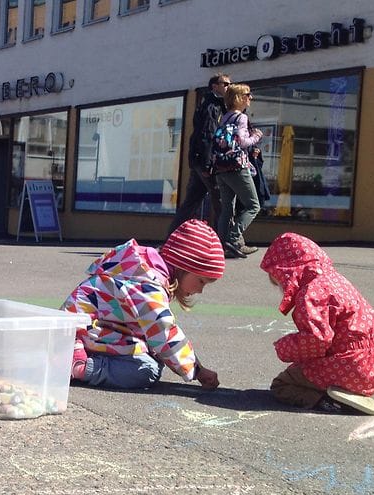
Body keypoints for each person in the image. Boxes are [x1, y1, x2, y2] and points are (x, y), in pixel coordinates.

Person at [62, 219, 224, 390]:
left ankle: (76, 355)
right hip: (80, 330)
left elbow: (153, 328)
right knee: (147, 369)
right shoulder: (149, 287)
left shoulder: (143, 270)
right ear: (183, 266)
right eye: (201, 281)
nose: (200, 290)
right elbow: (164, 332)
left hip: (86, 328)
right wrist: (197, 370)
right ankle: (79, 366)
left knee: (154, 358)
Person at [259, 233, 374, 415]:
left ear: (289, 273)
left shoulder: (311, 292)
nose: (282, 288)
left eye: (280, 283)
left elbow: (316, 340)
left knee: (283, 384)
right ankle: (347, 391)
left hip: (352, 365)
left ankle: (329, 401)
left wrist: (284, 348)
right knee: (303, 369)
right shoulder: (336, 280)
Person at [167, 74, 230, 236]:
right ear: (214, 86)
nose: (228, 87)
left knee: (191, 202)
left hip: (199, 160)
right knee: (221, 199)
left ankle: (171, 238)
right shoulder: (212, 106)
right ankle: (225, 240)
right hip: (205, 161)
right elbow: (207, 135)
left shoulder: (211, 103)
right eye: (225, 84)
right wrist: (207, 163)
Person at [213, 83, 263, 259]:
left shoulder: (224, 117)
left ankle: (222, 245)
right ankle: (233, 240)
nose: (251, 98)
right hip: (236, 167)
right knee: (253, 205)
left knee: (227, 208)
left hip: (221, 167)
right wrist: (256, 136)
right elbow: (242, 142)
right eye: (248, 95)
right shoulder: (241, 118)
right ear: (239, 98)